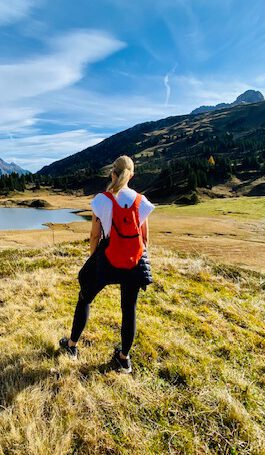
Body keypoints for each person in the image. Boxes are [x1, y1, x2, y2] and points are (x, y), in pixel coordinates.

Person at [59, 155, 155, 373]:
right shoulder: (142, 201)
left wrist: (95, 261)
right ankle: (123, 359)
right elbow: (145, 239)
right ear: (131, 175)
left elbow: (94, 236)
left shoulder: (101, 200)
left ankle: (72, 346)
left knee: (85, 297)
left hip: (107, 260)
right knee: (129, 308)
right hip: (133, 262)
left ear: (112, 173)